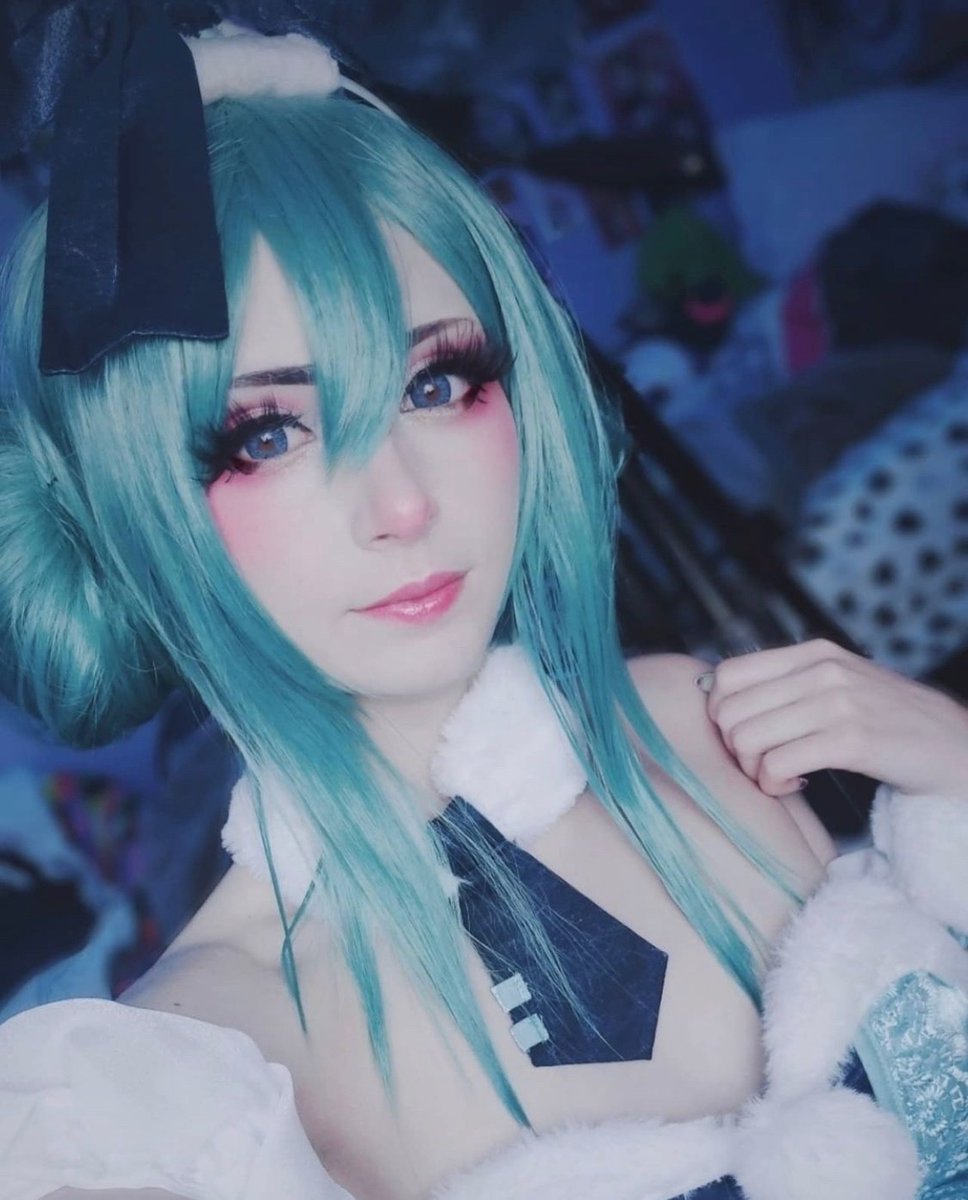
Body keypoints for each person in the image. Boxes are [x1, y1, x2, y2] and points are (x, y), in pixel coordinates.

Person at [0, 12, 966, 1200]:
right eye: (265, 436)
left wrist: (952, 772)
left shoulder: (695, 725)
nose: (401, 504)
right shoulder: (207, 1071)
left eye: (435, 381)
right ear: (133, 506)